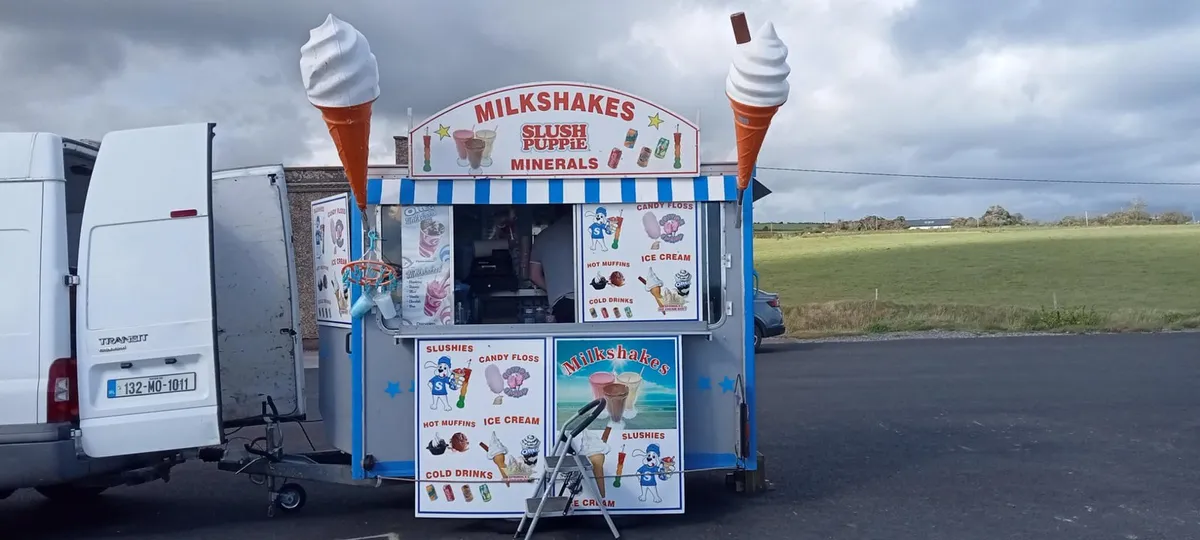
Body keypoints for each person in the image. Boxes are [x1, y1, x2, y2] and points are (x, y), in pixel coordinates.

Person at [530, 208, 575, 322]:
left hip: (562, 302)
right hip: (593, 300)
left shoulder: (543, 237)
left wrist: (554, 289)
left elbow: (534, 275)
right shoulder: (585, 234)